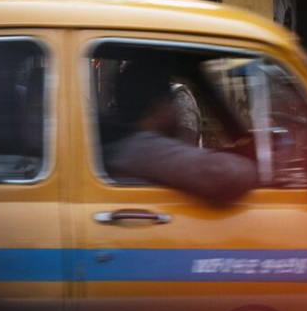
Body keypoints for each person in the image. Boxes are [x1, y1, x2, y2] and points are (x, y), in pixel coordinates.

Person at [103, 60, 257, 205]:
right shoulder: (145, 149)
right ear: (159, 104)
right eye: (172, 102)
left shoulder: (119, 143)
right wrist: (256, 167)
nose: (176, 110)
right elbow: (224, 173)